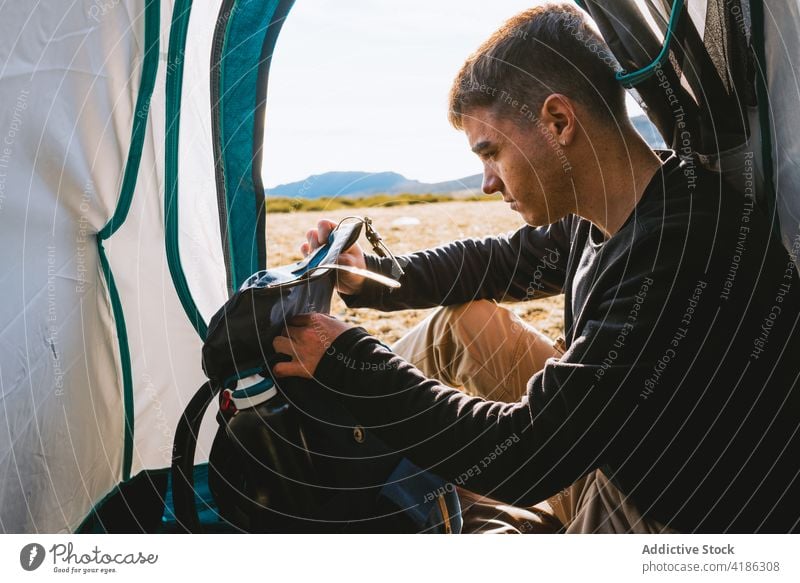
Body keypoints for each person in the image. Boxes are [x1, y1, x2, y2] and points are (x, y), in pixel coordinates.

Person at [272, 4, 800, 533]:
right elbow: (496, 262)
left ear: (558, 121)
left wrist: (350, 363)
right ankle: (328, 439)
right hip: (616, 455)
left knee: (458, 524)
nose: (488, 182)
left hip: (669, 521)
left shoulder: (678, 252)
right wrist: (375, 277)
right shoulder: (615, 206)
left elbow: (529, 454)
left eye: (492, 152)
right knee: (456, 329)